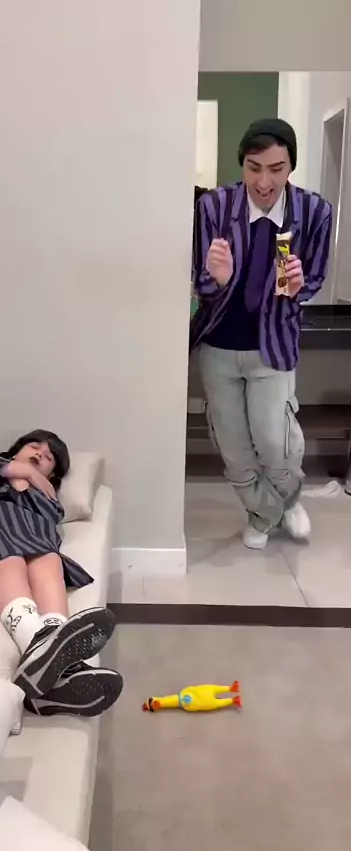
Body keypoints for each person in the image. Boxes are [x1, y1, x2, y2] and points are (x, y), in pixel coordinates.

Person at [190, 118, 332, 550]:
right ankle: (271, 510)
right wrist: (215, 279)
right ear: (242, 165)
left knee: (276, 441)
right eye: (254, 168)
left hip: (274, 346)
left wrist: (297, 287)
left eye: (276, 168)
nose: (264, 181)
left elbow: (315, 277)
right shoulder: (214, 207)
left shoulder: (314, 212)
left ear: (290, 166)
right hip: (218, 345)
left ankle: (283, 500)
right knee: (233, 446)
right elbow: (200, 282)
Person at [0, 429, 123, 716]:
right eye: (34, 446)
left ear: (54, 474)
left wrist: (34, 483)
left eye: (49, 457)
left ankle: (50, 654)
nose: (40, 453)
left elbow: (47, 527)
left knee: (49, 558)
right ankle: (43, 647)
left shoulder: (49, 497)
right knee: (10, 559)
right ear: (16, 451)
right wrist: (22, 472)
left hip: (24, 535)